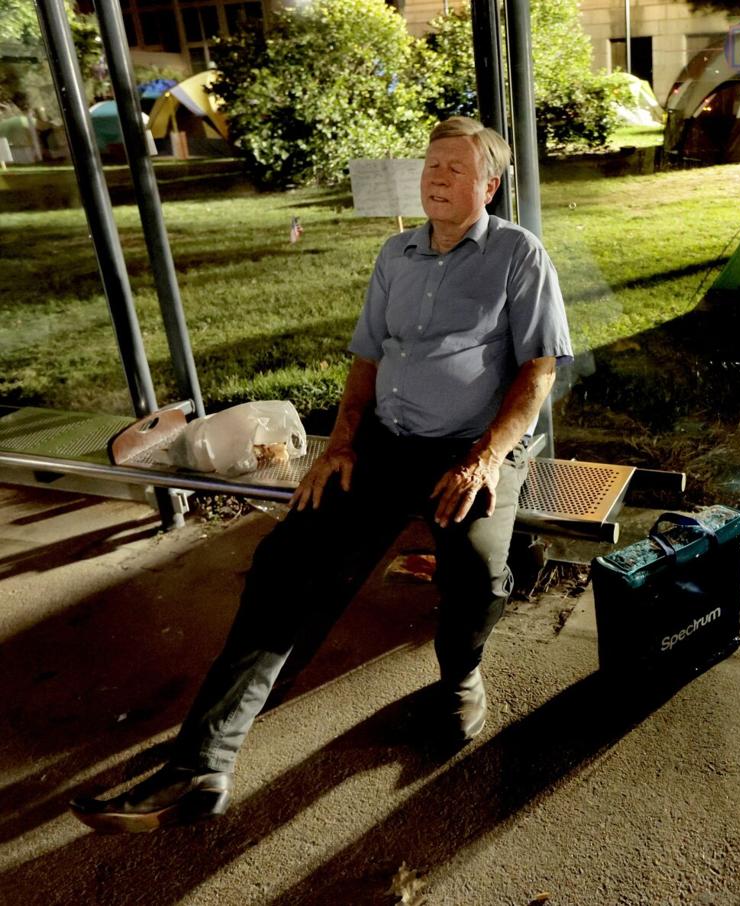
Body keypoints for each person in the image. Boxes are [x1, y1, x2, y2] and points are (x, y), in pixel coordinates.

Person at [69, 116, 573, 834]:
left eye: (454, 168)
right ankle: (203, 763)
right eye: (431, 164)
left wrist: (486, 456)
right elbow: (366, 358)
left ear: (488, 185)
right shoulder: (396, 253)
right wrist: (338, 445)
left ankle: (461, 673)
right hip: (384, 443)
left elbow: (539, 368)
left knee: (473, 564)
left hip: (475, 446)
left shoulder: (518, 255)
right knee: (288, 560)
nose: (435, 176)